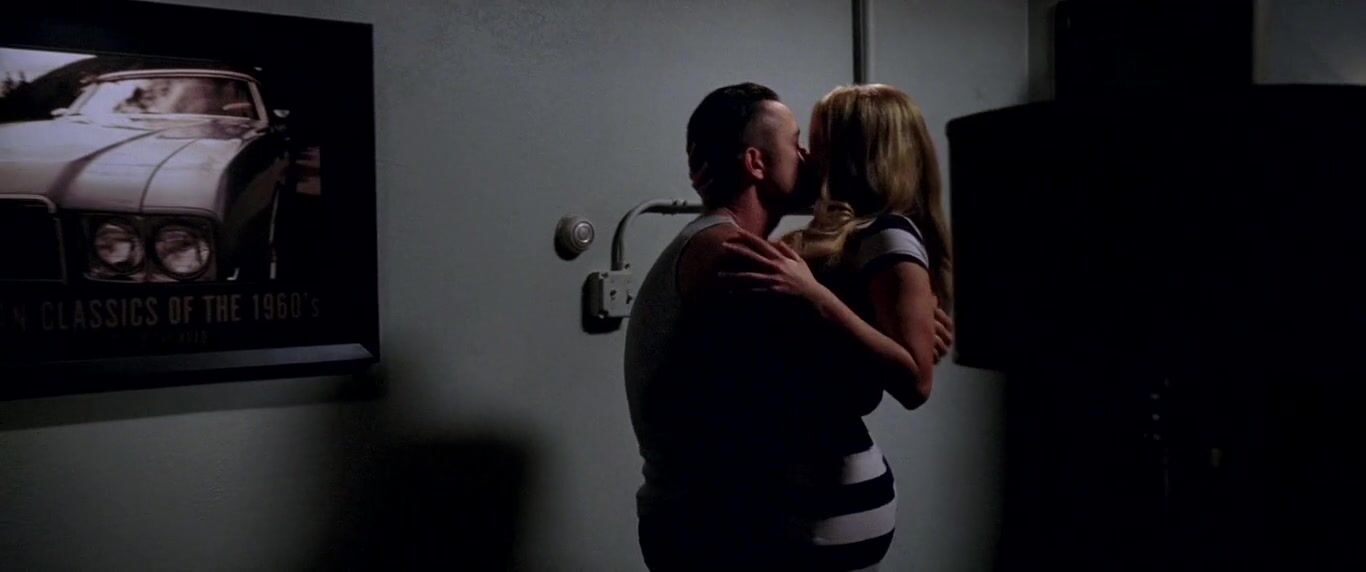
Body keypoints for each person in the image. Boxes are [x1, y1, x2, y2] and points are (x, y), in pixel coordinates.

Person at [624, 81, 951, 570]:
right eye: (798, 142)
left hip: (705, 517)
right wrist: (902, 337)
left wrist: (902, 324)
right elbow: (842, 393)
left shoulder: (731, 246)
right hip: (706, 525)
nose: (807, 158)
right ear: (756, 163)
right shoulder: (736, 256)